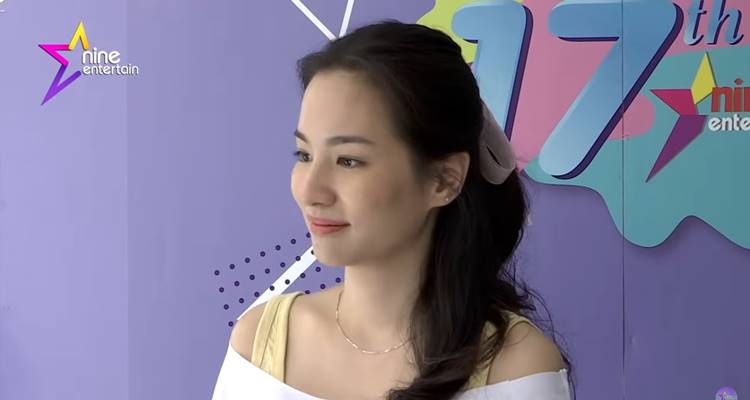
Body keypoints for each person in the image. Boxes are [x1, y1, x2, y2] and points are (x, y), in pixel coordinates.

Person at [212, 20, 574, 400]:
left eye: (349, 160)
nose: (309, 190)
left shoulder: (516, 368)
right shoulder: (259, 341)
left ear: (444, 180)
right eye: (304, 155)